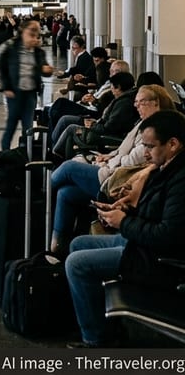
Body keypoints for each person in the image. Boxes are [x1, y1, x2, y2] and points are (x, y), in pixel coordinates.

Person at [64, 110, 185, 348]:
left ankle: (96, 340)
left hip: (159, 260)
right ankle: (95, 318)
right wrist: (126, 209)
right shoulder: (166, 168)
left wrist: (123, 222)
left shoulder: (180, 180)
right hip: (143, 245)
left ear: (173, 144)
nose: (146, 153)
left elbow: (167, 234)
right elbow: (157, 213)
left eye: (150, 146)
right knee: (78, 244)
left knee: (76, 264)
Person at [49, 84, 174, 255]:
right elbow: (123, 149)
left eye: (141, 102)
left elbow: (132, 160)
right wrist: (109, 156)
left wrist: (109, 162)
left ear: (156, 103)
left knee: (68, 167)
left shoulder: (157, 131)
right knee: (66, 193)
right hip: (114, 168)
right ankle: (57, 248)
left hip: (117, 178)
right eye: (136, 102)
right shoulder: (142, 123)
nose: (137, 106)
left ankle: (42, 191)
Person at [0, 18, 53, 152]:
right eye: (31, 30)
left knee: (28, 126)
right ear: (22, 30)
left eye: (36, 31)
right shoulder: (10, 46)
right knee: (11, 124)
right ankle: (5, 152)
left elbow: (44, 69)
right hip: (14, 92)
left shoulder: (38, 52)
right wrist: (5, 86)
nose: (34, 34)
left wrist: (47, 70)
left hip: (30, 93)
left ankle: (26, 153)